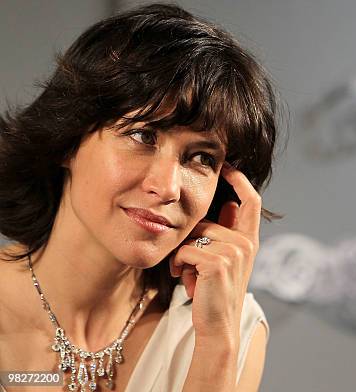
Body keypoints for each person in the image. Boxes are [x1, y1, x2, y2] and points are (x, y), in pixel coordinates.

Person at [0, 3, 280, 391]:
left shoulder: (230, 327)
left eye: (201, 158)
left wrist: (216, 345)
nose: (167, 187)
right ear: (68, 140)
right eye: (143, 136)